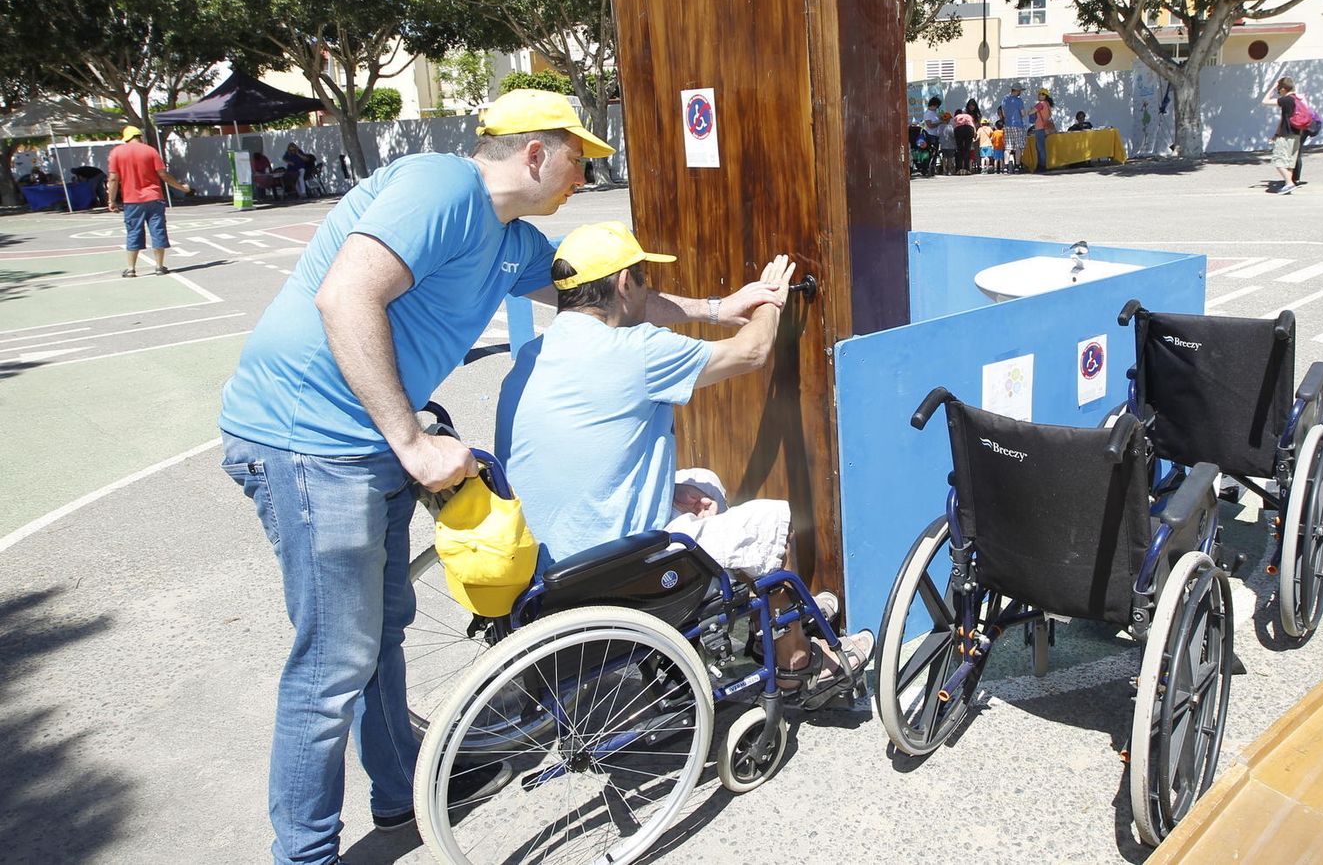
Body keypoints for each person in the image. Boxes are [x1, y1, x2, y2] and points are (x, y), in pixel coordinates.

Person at [216, 89, 787, 865]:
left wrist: (721, 305)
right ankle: (305, 856)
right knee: (331, 665)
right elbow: (344, 294)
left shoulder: (511, 242)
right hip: (308, 440)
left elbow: (614, 300)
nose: (581, 178)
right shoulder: (439, 187)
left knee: (380, 638)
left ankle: (401, 792)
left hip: (360, 441)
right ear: (534, 152)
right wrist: (412, 440)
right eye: (577, 160)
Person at [496, 222, 873, 701]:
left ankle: (751, 618)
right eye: (644, 280)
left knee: (704, 484)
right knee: (770, 519)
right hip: (615, 574)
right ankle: (799, 665)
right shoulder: (636, 349)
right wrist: (770, 302)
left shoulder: (530, 357)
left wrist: (665, 490)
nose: (647, 290)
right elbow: (752, 351)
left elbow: (569, 459)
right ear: (624, 284)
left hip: (545, 574)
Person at [107, 125, 192, 276]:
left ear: (126, 138)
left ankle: (131, 269)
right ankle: (160, 266)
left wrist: (111, 200)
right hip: (154, 197)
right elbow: (163, 175)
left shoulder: (116, 153)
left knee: (133, 232)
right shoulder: (150, 151)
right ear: (140, 137)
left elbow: (113, 179)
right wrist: (181, 187)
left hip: (132, 200)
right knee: (157, 230)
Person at [1261, 77, 1302, 195]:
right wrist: (1276, 134)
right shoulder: (1297, 98)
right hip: (1297, 134)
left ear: (1283, 89)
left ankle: (1289, 183)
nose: (1279, 92)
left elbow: (1265, 101)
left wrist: (1273, 87)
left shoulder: (1286, 100)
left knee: (1278, 161)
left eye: (1279, 90)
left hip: (1286, 135)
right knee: (1289, 163)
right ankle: (1288, 184)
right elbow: (1283, 119)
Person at [1001, 83, 1027, 173]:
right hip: (1017, 125)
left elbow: (1003, 113)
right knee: (1018, 146)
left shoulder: (1005, 99)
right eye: (1020, 91)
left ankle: (1005, 167)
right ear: (1016, 91)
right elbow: (1023, 113)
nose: (1020, 93)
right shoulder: (1019, 101)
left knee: (1008, 147)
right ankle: (1017, 166)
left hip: (1007, 125)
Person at [952, 107, 977, 174]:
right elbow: (973, 125)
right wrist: (974, 135)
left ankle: (959, 169)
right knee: (967, 149)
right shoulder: (968, 116)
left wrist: (955, 136)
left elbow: (954, 127)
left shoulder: (956, 117)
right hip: (969, 129)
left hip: (959, 129)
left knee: (960, 150)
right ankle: (967, 169)